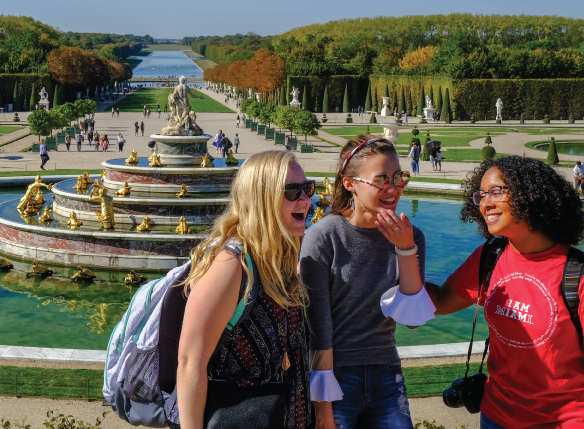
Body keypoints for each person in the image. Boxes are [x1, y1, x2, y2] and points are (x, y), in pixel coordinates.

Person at [426, 156, 584, 428]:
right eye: (481, 195)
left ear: (531, 196)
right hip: (496, 417)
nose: (485, 203)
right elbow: (439, 303)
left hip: (566, 422)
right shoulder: (489, 257)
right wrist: (399, 256)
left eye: (496, 192)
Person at [300, 135, 433, 429]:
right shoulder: (324, 237)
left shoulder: (411, 237)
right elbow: (318, 328)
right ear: (350, 184)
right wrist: (322, 410)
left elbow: (412, 320)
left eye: (398, 177)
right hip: (335, 373)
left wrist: (405, 249)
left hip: (387, 370)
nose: (393, 188)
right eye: (381, 179)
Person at [173, 151, 313, 429]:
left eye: (307, 188)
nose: (306, 199)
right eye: (292, 191)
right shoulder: (231, 264)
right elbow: (190, 361)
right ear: (262, 198)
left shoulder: (284, 255)